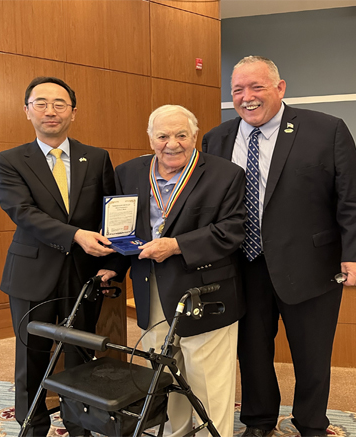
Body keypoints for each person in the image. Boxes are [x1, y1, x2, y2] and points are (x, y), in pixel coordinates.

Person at [202, 56, 356, 437]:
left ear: (280, 88)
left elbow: (355, 199)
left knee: (312, 354)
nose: (247, 97)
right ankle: (259, 421)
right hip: (241, 264)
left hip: (310, 264)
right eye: (238, 90)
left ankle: (311, 423)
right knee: (252, 351)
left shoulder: (326, 130)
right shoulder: (217, 139)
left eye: (256, 87)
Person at [97, 104, 246, 437]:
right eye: (163, 135)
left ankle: (213, 434)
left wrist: (176, 244)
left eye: (181, 135)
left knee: (207, 377)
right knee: (163, 372)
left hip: (205, 291)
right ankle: (175, 431)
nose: (172, 143)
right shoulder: (128, 172)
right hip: (150, 288)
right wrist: (112, 266)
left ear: (195, 135)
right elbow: (124, 230)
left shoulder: (226, 174)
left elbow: (233, 230)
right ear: (150, 139)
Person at [0, 76, 116, 437]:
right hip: (33, 273)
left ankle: (80, 425)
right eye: (41, 103)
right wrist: (76, 235)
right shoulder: (10, 160)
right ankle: (32, 425)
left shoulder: (95, 157)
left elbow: (110, 212)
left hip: (84, 273)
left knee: (82, 352)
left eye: (60, 104)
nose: (51, 111)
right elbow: (23, 213)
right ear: (27, 111)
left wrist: (114, 257)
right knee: (32, 354)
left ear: (73, 112)